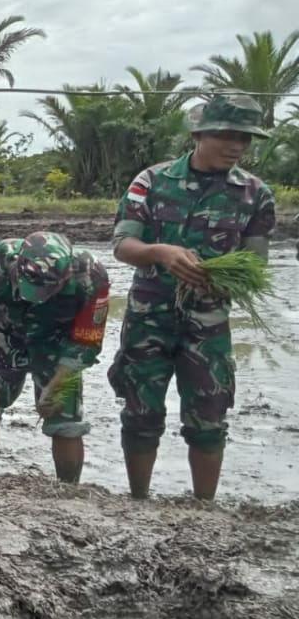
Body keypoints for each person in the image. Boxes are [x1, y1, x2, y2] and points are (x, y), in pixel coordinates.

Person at [109, 90, 276, 500]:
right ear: (199, 135)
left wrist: (223, 280)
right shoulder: (151, 182)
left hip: (209, 325)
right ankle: (138, 500)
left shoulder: (255, 194)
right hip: (148, 319)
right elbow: (123, 246)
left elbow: (255, 266)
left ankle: (204, 509)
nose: (237, 146)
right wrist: (160, 253)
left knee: (209, 420)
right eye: (227, 135)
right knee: (141, 414)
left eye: (245, 138)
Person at [0, 232, 110, 483]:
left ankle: (70, 492)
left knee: (66, 420)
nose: (35, 297)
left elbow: (87, 340)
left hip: (57, 342)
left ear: (66, 276)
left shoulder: (92, 275)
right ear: (17, 265)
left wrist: (58, 382)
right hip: (2, 334)